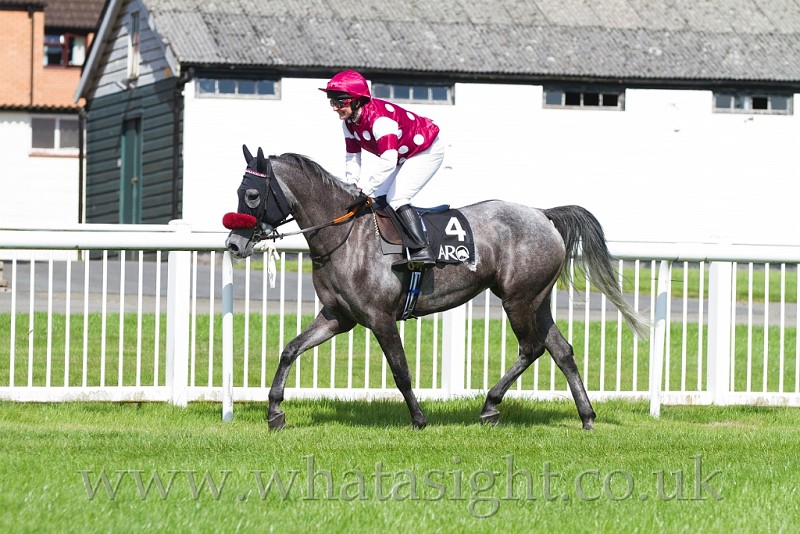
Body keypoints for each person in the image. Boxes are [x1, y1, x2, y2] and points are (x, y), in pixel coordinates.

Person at [320, 70, 445, 267]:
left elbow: (388, 161)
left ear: (357, 101)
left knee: (397, 198)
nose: (335, 107)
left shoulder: (380, 121)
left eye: (340, 102)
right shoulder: (349, 123)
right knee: (380, 198)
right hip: (403, 155)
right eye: (332, 102)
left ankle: (422, 250)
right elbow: (353, 155)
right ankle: (395, 249)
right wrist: (352, 184)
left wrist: (366, 190)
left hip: (426, 150)